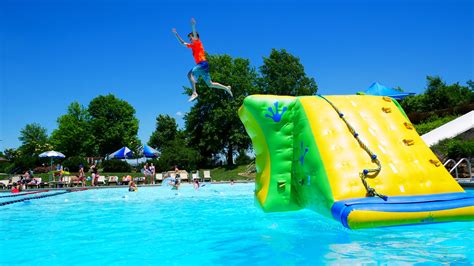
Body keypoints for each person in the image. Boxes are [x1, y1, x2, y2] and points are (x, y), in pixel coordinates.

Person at [172, 18, 233, 102]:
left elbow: (194, 34)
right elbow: (182, 43)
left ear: (195, 37)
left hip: (202, 64)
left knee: (190, 74)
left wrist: (193, 26)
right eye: (189, 39)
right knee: (210, 84)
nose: (190, 40)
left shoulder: (198, 42)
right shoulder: (192, 46)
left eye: (191, 38)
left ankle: (194, 93)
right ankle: (226, 88)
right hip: (203, 66)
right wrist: (176, 34)